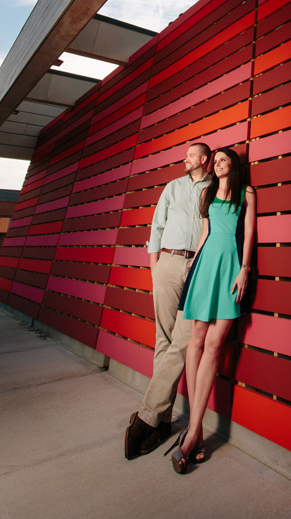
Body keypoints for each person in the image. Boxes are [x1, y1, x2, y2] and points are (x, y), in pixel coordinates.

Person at [164, 146, 256, 472]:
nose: (216, 165)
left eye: (222, 160)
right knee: (196, 341)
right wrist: (191, 271)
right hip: (204, 269)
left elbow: (248, 234)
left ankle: (193, 434)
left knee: (215, 346)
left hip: (230, 269)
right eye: (214, 161)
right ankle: (196, 432)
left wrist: (244, 269)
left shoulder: (246, 193)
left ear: (232, 164)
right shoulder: (207, 194)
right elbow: (205, 234)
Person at [124, 141, 211, 458]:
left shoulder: (215, 186)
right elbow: (157, 226)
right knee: (163, 340)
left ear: (203, 159)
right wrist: (155, 268)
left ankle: (146, 416)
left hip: (198, 265)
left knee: (183, 340)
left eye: (190, 155)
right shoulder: (172, 188)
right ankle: (160, 421)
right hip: (168, 263)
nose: (184, 159)